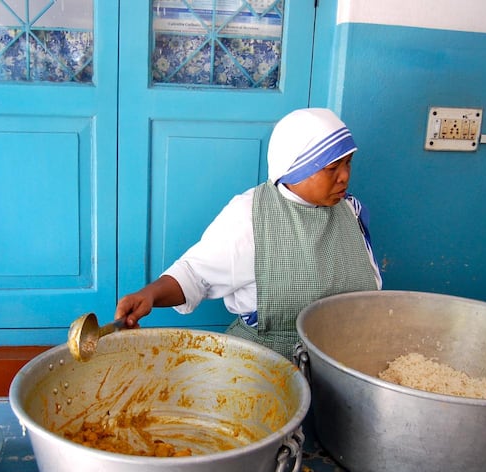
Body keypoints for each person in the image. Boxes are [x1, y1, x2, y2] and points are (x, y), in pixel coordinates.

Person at [114, 107, 382, 359]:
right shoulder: (251, 217)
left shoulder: (350, 212)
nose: (344, 176)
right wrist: (149, 295)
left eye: (348, 163)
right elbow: (195, 275)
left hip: (343, 362)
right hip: (264, 369)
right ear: (296, 167)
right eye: (332, 168)